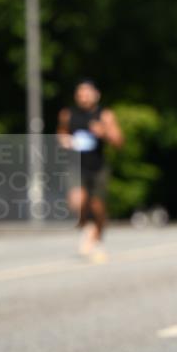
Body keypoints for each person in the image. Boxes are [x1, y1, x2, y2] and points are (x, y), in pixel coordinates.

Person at [57, 80, 124, 262]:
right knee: (76, 202)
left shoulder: (105, 115)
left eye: (87, 94)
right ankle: (86, 228)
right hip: (75, 165)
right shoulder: (67, 114)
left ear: (96, 95)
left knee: (97, 205)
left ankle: (98, 236)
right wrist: (63, 140)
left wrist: (104, 133)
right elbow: (61, 133)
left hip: (97, 166)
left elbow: (119, 141)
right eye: (80, 94)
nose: (83, 98)